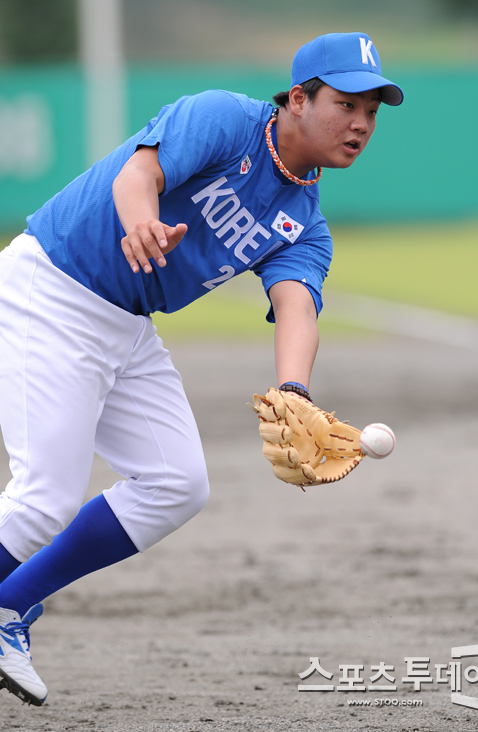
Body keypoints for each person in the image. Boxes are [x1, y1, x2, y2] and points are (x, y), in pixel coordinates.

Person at [0, 32, 403, 706]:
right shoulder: (225, 120)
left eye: (371, 111)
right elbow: (139, 175)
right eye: (345, 103)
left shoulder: (305, 222)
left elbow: (296, 307)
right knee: (47, 492)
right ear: (298, 100)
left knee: (176, 483)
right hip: (53, 288)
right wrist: (139, 223)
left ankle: (9, 605)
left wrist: (294, 391)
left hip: (126, 325)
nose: (360, 124)